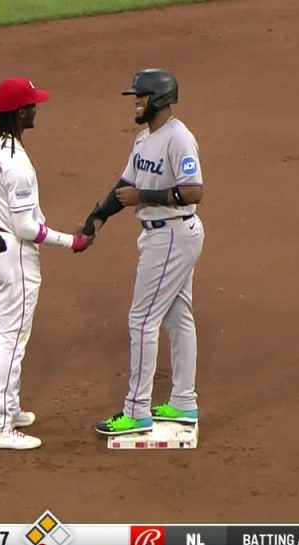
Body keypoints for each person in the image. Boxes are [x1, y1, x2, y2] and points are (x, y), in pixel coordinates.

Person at [79, 69, 206, 436]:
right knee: (177, 317)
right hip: (166, 235)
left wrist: (144, 199)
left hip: (171, 235)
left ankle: (136, 410)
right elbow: (126, 184)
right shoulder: (143, 139)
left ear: (160, 99)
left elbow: (194, 190)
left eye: (141, 96)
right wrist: (97, 217)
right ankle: (183, 402)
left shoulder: (179, 138)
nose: (135, 101)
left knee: (142, 319)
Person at [0, 77, 92, 450]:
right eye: (33, 105)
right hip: (13, 254)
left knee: (6, 330)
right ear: (20, 113)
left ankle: (9, 406)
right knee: (12, 337)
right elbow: (26, 227)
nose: (37, 108)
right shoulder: (18, 166)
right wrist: (70, 241)